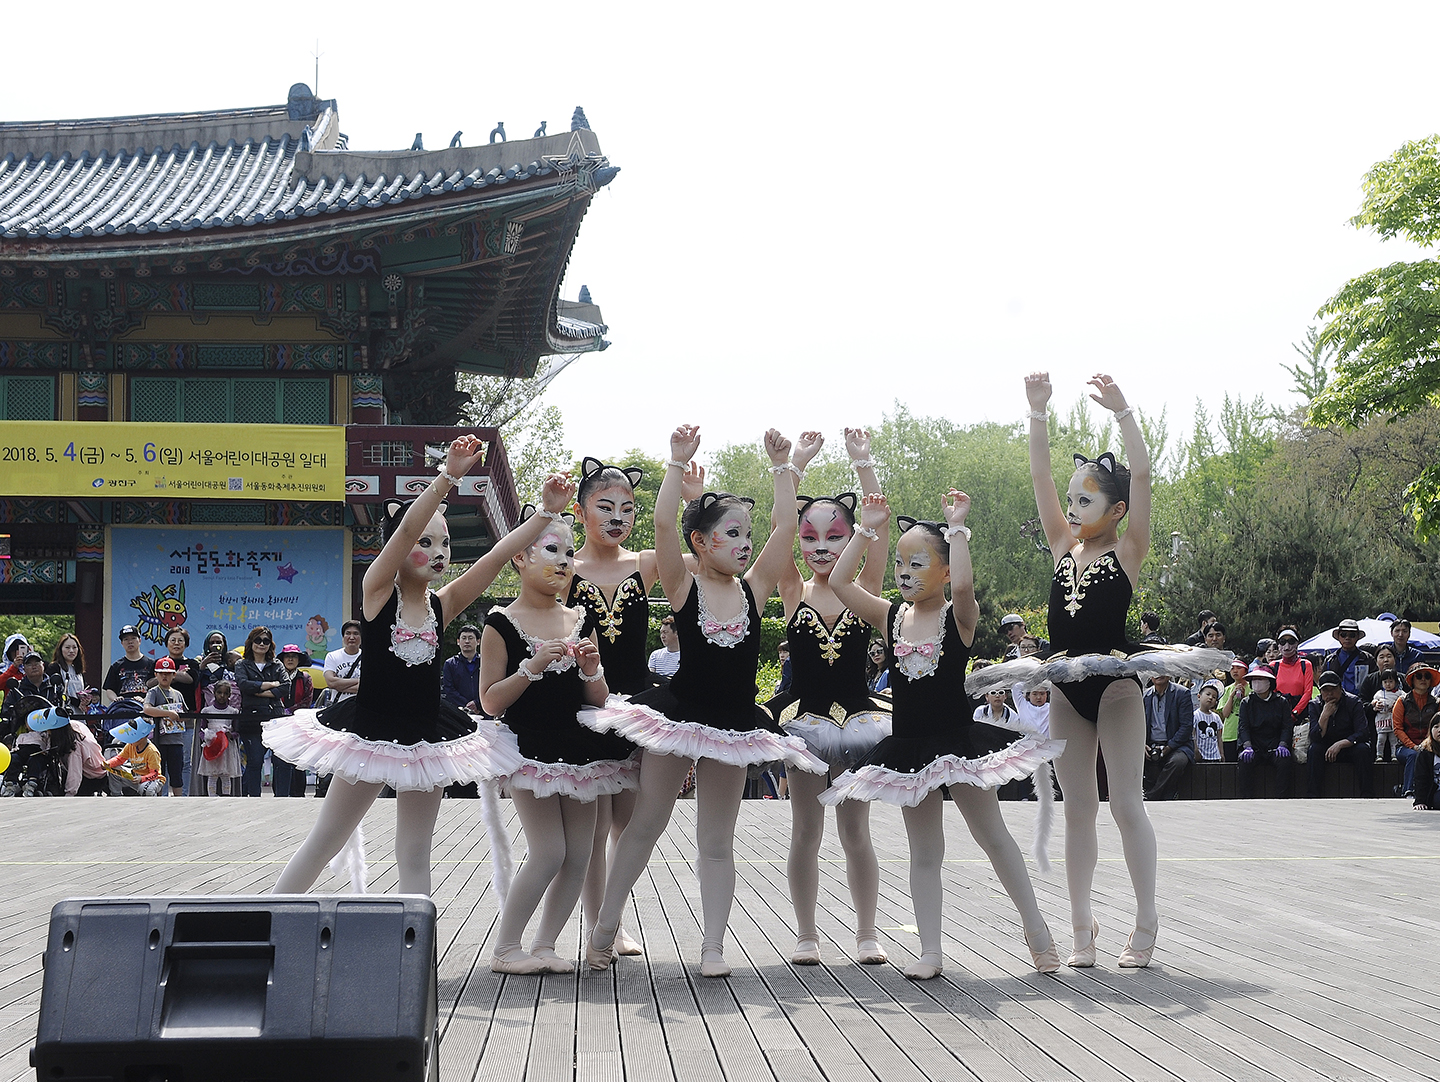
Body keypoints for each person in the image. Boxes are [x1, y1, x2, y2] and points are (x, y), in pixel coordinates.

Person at [969, 372, 1227, 970]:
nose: (1074, 508)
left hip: (1114, 689)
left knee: (1126, 804)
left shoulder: (1128, 547)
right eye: (1073, 499)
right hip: (1066, 690)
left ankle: (1145, 920)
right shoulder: (1063, 544)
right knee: (1076, 807)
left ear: (1116, 511)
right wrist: (1037, 412)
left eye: (1088, 500)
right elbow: (1038, 479)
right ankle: (1081, 928)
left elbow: (1142, 475)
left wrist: (1124, 413)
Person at [266, 439, 568, 897]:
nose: (438, 551)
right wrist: (447, 477)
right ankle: (267, 921)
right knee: (326, 840)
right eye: (426, 542)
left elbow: (493, 558)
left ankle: (418, 953)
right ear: (399, 545)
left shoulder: (442, 605)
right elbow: (405, 530)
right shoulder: (376, 592)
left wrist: (544, 515)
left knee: (415, 850)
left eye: (444, 542)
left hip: (428, 738)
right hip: (368, 733)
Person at [580, 426, 825, 978]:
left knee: (717, 837)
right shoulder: (683, 586)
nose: (744, 543)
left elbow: (786, 528)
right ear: (702, 542)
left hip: (735, 723)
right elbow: (665, 523)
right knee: (646, 823)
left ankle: (712, 946)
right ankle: (603, 931)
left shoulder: (754, 587)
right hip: (681, 715)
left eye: (746, 534)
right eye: (732, 534)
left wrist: (785, 469)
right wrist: (673, 464)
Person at [820, 492, 1064, 979]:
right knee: (924, 850)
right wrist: (866, 528)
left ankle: (1037, 932)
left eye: (918, 563)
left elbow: (969, 586)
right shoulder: (890, 616)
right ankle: (930, 950)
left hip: (958, 745)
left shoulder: (959, 617)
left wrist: (957, 528)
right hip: (909, 749)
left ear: (946, 572)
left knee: (992, 835)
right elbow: (839, 581)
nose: (904, 572)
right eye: (899, 563)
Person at [480, 507, 633, 974]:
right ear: (520, 559)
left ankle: (545, 944)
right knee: (549, 850)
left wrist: (592, 669)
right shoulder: (500, 623)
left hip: (580, 746)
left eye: (569, 552)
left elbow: (596, 696)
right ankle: (507, 947)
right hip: (530, 747)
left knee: (582, 853)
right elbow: (489, 701)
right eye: (552, 550)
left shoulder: (579, 618)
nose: (565, 561)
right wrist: (530, 668)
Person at [562, 456, 703, 958]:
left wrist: (690, 500)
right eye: (605, 506)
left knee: (625, 820)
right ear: (580, 511)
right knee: (593, 827)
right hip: (576, 706)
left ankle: (609, 922)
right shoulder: (564, 567)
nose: (617, 516)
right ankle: (594, 925)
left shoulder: (643, 564)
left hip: (634, 706)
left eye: (627, 508)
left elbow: (708, 561)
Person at [764, 428, 894, 967]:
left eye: (834, 538)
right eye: (811, 539)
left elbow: (880, 531)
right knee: (806, 831)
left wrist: (863, 464)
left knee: (856, 832)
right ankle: (806, 934)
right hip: (805, 724)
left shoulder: (859, 588)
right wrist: (789, 465)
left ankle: (867, 933)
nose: (821, 548)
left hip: (861, 721)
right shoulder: (792, 588)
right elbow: (778, 528)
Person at [233, 627, 286, 796]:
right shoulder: (242, 664)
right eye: (258, 640)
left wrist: (259, 691)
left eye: (266, 641)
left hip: (275, 717)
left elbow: (285, 687)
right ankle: (253, 798)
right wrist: (271, 684)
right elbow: (243, 685)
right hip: (251, 718)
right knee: (255, 761)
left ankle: (282, 799)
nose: (261, 644)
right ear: (251, 642)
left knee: (282, 762)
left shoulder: (277, 664)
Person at [1307, 669, 1373, 797]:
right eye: (1325, 690)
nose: (1330, 694)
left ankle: (1367, 794)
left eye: (1333, 689)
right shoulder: (1315, 704)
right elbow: (1315, 737)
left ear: (1340, 688)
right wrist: (1324, 716)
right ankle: (1312, 795)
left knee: (1363, 749)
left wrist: (1341, 744)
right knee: (1314, 750)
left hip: (1349, 745)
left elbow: (1363, 732)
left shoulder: (1353, 702)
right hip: (1326, 746)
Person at [1236, 663, 1293, 798]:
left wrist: (1283, 744)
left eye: (1261, 679)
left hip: (1275, 745)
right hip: (1254, 745)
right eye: (1254, 679)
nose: (1257, 683)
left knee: (1285, 761)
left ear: (1270, 682)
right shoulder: (1247, 703)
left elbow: (1287, 726)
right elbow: (1243, 727)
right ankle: (1246, 799)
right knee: (1244, 761)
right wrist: (1247, 746)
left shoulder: (1282, 702)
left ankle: (1282, 799)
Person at [1141, 675, 1194, 800]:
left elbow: (1186, 726)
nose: (1159, 674)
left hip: (1177, 745)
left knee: (1178, 761)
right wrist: (1142, 744)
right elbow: (1137, 724)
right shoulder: (1144, 696)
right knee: (1134, 760)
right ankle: (1165, 794)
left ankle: (1152, 795)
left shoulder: (1182, 693)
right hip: (1150, 744)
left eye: (1162, 671)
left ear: (1169, 674)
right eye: (1155, 671)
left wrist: (1169, 747)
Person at [1393, 663, 1439, 798]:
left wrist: (1426, 745)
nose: (1423, 679)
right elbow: (1398, 729)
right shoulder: (1402, 701)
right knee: (1414, 755)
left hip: (1432, 746)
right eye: (1419, 676)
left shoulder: (1437, 702)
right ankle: (1409, 792)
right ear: (1412, 680)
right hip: (1405, 747)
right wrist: (1413, 746)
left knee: (1424, 754)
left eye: (1427, 676)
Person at [273, 644, 313, 796]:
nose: (290, 659)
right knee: (278, 760)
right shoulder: (275, 676)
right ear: (282, 659)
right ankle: (280, 794)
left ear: (299, 659)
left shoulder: (305, 678)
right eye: (287, 656)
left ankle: (298, 794)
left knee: (298, 760)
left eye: (294, 656)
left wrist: (290, 711)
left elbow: (307, 701)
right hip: (278, 724)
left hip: (298, 725)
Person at [143, 657, 187, 796]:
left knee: (177, 773)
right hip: (159, 740)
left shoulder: (177, 694)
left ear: (174, 675)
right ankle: (159, 800)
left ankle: (179, 800)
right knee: (158, 773)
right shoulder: (154, 692)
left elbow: (186, 713)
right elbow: (147, 709)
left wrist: (179, 715)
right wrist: (167, 713)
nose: (164, 676)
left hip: (176, 740)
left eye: (168, 673)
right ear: (156, 674)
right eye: (161, 673)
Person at [195, 680, 241, 796]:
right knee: (212, 774)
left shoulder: (233, 712)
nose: (222, 696)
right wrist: (206, 737)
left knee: (226, 775)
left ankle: (226, 797)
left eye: (225, 693)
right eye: (219, 692)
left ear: (229, 695)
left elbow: (237, 731)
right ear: (214, 693)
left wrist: (231, 736)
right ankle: (212, 797)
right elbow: (201, 729)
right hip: (212, 746)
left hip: (227, 748)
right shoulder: (207, 711)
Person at [106, 719, 166, 796]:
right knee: (113, 770)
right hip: (135, 777)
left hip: (152, 780)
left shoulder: (152, 751)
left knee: (146, 789)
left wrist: (142, 779)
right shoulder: (130, 746)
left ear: (142, 737)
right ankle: (116, 796)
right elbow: (119, 759)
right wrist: (108, 764)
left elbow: (154, 773)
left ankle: (151, 804)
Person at [1273, 627, 1313, 728]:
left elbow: (1308, 692)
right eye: (1282, 642)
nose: (1287, 647)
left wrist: (1295, 712)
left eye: (1291, 641)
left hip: (1301, 716)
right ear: (1278, 645)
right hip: (1278, 714)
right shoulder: (1273, 665)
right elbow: (1271, 692)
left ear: (1297, 644)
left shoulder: (1306, 664)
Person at [102, 626, 154, 704]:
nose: (130, 642)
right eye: (126, 639)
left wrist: (146, 699)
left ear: (139, 641)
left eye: (133, 638)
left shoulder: (151, 664)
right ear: (122, 643)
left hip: (146, 708)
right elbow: (109, 689)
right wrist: (116, 699)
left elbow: (158, 687)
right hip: (123, 707)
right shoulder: (116, 666)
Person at [1324, 619, 1372, 697]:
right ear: (1339, 637)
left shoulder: (1368, 659)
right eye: (1343, 634)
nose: (1347, 638)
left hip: (1361, 703)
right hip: (1337, 702)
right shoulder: (1330, 660)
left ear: (1357, 637)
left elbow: (1374, 683)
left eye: (1352, 635)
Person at [441, 624, 483, 712]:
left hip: (483, 709)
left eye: (470, 638)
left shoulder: (485, 663)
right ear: (458, 641)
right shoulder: (450, 664)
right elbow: (449, 689)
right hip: (459, 711)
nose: (467, 641)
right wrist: (467, 705)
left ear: (478, 641)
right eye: (464, 638)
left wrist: (477, 703)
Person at [1217, 656, 1249, 762]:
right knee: (1230, 764)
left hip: (1247, 731)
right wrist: (1231, 696)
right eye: (1232, 668)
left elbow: (1251, 711)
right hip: (1229, 732)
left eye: (1239, 668)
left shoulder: (1252, 688)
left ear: (1246, 669)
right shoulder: (1227, 689)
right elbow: (1225, 714)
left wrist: (1244, 697)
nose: (1235, 671)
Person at [48, 634, 90, 713]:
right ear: (60, 649)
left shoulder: (78, 670)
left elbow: (84, 690)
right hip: (62, 713)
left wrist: (87, 700)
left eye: (74, 647)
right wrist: (76, 702)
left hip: (79, 715)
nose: (71, 651)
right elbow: (57, 693)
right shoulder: (54, 668)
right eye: (67, 647)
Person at [1370, 666, 1403, 763]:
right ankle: (1379, 755)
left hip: (1393, 720)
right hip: (1382, 720)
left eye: (1390, 681)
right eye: (1385, 682)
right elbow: (1373, 702)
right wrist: (1376, 704)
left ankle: (1394, 755)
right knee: (1381, 739)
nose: (1388, 684)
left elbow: (1405, 699)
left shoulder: (1399, 693)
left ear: (1396, 682)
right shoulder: (1379, 693)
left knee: (1394, 740)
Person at [1409, 717, 1440, 810]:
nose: (1439, 730)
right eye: (1436, 727)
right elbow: (1420, 778)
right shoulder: (1425, 752)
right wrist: (1420, 801)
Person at [1193, 681, 1224, 762]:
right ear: (1199, 696)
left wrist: (1221, 753)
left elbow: (1219, 737)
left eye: (1214, 697)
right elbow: (1193, 734)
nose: (1210, 698)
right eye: (1208, 694)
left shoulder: (1216, 717)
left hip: (1215, 755)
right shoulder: (1195, 715)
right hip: (1201, 755)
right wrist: (1195, 750)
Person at [647, 616, 681, 681]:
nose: (662, 636)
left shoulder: (686, 656)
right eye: (661, 633)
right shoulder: (655, 655)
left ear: (676, 633)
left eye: (665, 632)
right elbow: (650, 678)